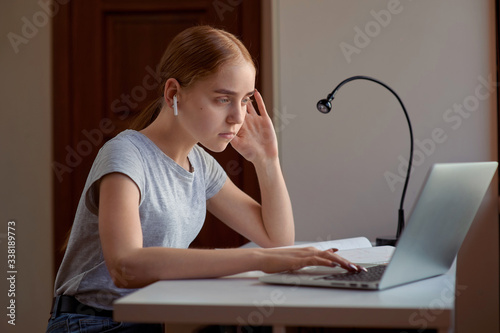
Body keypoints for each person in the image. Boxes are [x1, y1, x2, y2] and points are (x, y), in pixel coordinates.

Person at [46, 25, 364, 333]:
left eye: (244, 100)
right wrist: (256, 259)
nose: (238, 117)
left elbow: (277, 241)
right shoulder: (125, 155)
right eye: (222, 99)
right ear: (174, 93)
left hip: (142, 321)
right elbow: (126, 267)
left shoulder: (200, 164)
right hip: (91, 324)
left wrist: (267, 161)